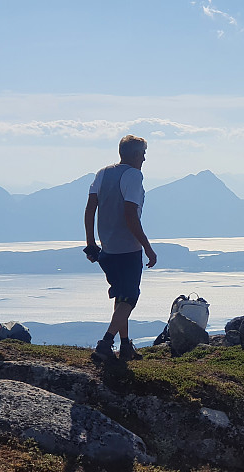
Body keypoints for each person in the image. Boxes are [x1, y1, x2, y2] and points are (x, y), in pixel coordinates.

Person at [84, 134, 157, 361]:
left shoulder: (102, 173)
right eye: (143, 154)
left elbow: (89, 209)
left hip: (107, 248)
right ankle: (105, 344)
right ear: (135, 154)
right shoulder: (134, 175)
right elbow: (130, 214)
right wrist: (147, 247)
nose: (144, 159)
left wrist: (90, 243)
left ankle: (125, 346)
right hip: (128, 249)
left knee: (121, 298)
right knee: (130, 299)